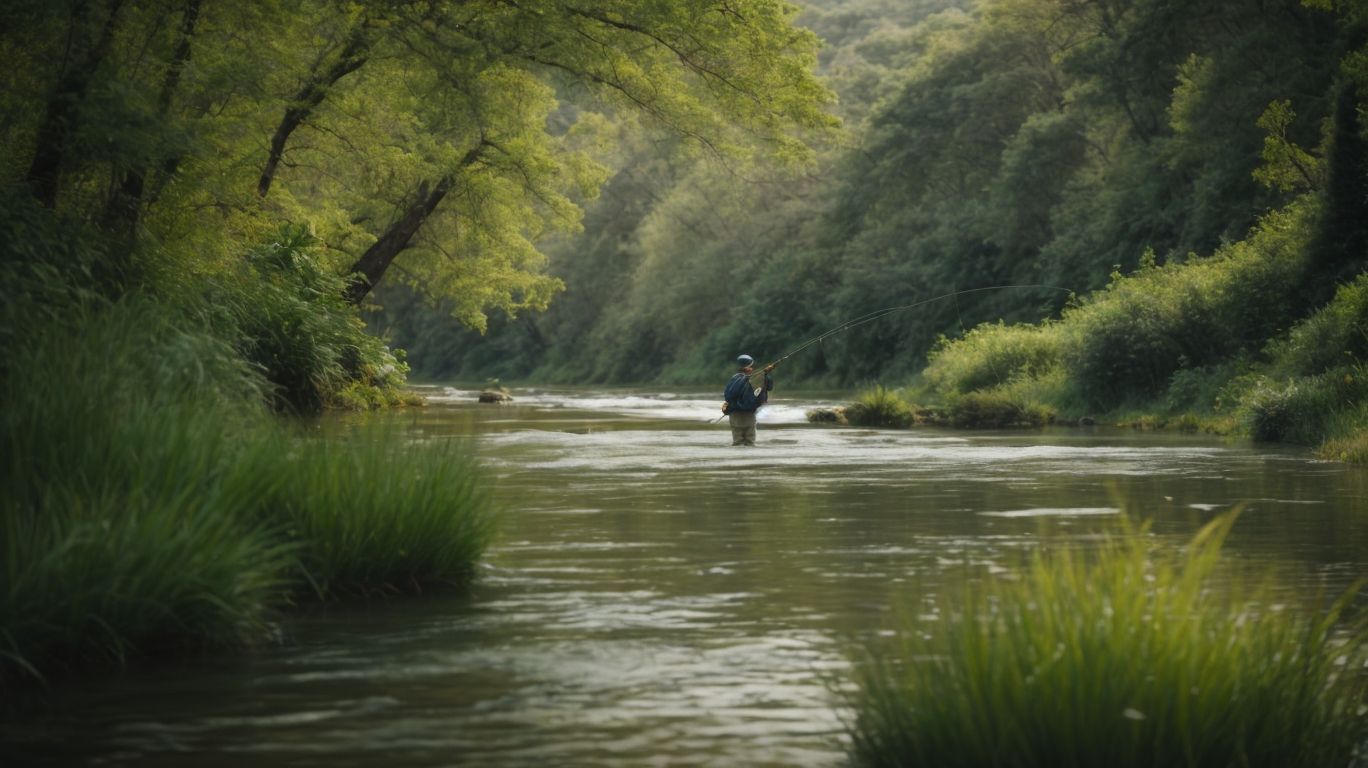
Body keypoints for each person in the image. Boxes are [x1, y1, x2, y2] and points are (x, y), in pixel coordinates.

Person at [723, 354, 775, 446]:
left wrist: (765, 373)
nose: (752, 368)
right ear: (747, 367)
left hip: (735, 415)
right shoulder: (750, 378)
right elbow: (767, 386)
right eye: (751, 366)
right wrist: (765, 373)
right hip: (749, 415)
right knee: (750, 443)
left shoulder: (734, 379)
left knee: (737, 442)